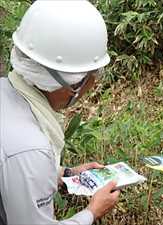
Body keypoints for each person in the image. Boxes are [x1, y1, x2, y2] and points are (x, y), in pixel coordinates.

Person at [0, 1, 119, 224]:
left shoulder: (4, 92)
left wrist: (65, 174)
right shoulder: (30, 149)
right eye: (92, 78)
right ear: (73, 84)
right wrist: (91, 212)